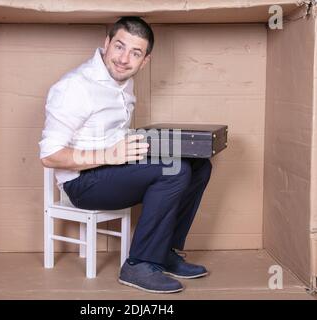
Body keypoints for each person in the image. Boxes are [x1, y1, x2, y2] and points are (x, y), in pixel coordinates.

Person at [39, 16, 212, 294]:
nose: (123, 59)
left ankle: (164, 251)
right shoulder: (74, 87)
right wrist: (109, 154)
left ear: (145, 61)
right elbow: (50, 156)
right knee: (174, 171)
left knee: (199, 164)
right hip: (83, 183)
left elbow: (113, 136)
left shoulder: (122, 82)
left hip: (114, 167)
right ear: (106, 43)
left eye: (135, 53)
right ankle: (138, 265)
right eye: (119, 46)